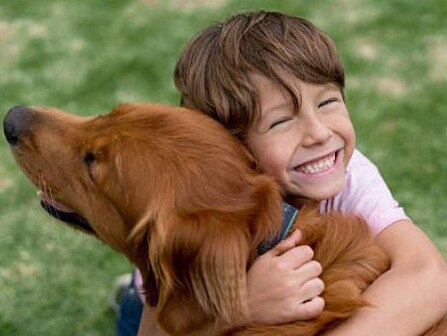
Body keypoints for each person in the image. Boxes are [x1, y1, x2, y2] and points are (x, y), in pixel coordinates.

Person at [117, 10, 447, 336]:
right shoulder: (188, 209)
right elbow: (155, 331)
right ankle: (127, 294)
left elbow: (428, 276)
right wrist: (239, 307)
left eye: (327, 102)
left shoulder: (348, 172)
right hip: (181, 309)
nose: (318, 133)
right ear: (232, 152)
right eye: (281, 121)